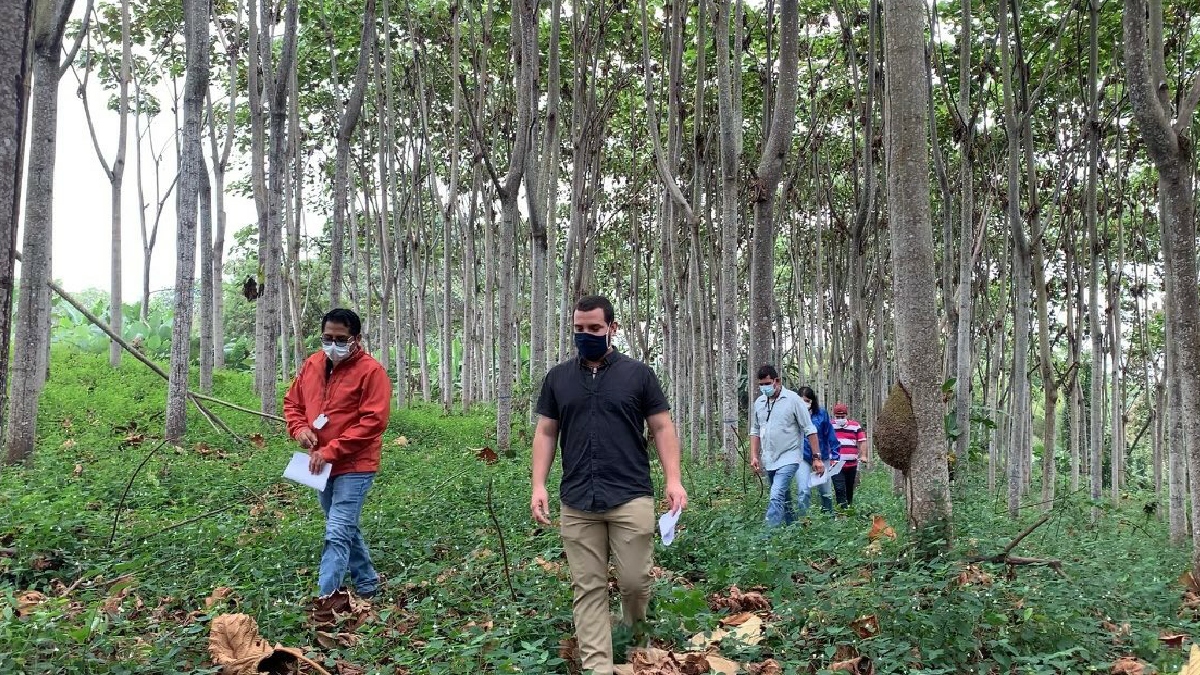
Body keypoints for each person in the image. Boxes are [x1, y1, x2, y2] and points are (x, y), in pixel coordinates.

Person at [531, 295, 687, 675]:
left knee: (635, 582)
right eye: (579, 329)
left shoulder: (638, 375)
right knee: (588, 588)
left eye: (595, 329)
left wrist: (674, 478)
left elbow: (662, 426)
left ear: (613, 329)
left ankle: (637, 646)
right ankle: (597, 667)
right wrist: (539, 483)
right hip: (578, 498)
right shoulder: (558, 378)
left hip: (630, 494)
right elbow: (547, 431)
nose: (586, 335)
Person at [284, 308, 392, 599]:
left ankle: (325, 599)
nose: (333, 344)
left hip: (356, 466)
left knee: (337, 531)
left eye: (340, 339)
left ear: (355, 339)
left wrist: (332, 450)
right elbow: (292, 403)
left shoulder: (372, 371)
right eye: (327, 337)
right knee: (342, 525)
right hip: (321, 465)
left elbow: (374, 421)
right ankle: (368, 584)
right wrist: (299, 429)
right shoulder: (312, 364)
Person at [748, 365, 823, 526]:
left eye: (767, 383)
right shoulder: (759, 402)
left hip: (790, 456)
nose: (764, 387)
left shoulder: (794, 400)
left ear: (777, 381)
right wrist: (754, 455)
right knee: (785, 496)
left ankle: (767, 539)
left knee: (776, 494)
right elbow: (755, 430)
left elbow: (809, 429)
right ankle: (793, 528)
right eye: (761, 384)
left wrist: (817, 458)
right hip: (769, 458)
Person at [797, 386, 837, 514]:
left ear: (812, 401)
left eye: (807, 400)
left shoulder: (821, 414)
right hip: (802, 457)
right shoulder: (793, 415)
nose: (805, 403)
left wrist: (835, 454)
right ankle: (804, 522)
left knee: (825, 491)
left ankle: (829, 518)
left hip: (822, 457)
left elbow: (830, 434)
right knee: (803, 491)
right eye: (801, 400)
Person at [831, 402, 867, 508]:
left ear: (846, 415)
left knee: (849, 487)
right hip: (835, 463)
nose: (840, 418)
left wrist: (863, 455)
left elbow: (862, 440)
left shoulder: (855, 426)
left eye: (842, 416)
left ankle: (849, 508)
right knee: (839, 488)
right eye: (838, 416)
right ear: (834, 416)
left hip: (851, 464)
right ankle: (842, 512)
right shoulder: (830, 425)